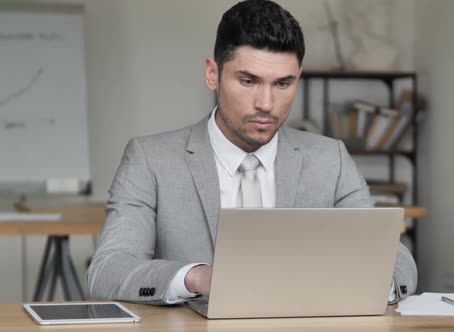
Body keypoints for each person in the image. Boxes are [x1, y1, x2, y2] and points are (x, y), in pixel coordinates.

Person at [86, 0, 417, 305]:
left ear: (298, 79)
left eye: (283, 84)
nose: (266, 104)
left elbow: (397, 262)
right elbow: (108, 270)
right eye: (248, 81)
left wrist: (361, 283)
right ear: (212, 74)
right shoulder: (150, 159)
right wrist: (198, 277)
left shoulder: (330, 160)